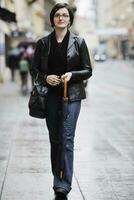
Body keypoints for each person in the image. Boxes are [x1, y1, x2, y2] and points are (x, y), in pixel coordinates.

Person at [30, 3, 92, 200]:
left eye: (65, 15)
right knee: (55, 139)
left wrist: (71, 75)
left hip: (72, 96)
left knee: (67, 138)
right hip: (50, 97)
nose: (61, 18)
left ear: (70, 19)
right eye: (58, 15)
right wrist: (45, 77)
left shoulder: (79, 42)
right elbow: (35, 69)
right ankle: (58, 176)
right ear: (52, 19)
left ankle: (62, 184)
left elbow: (87, 70)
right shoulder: (42, 43)